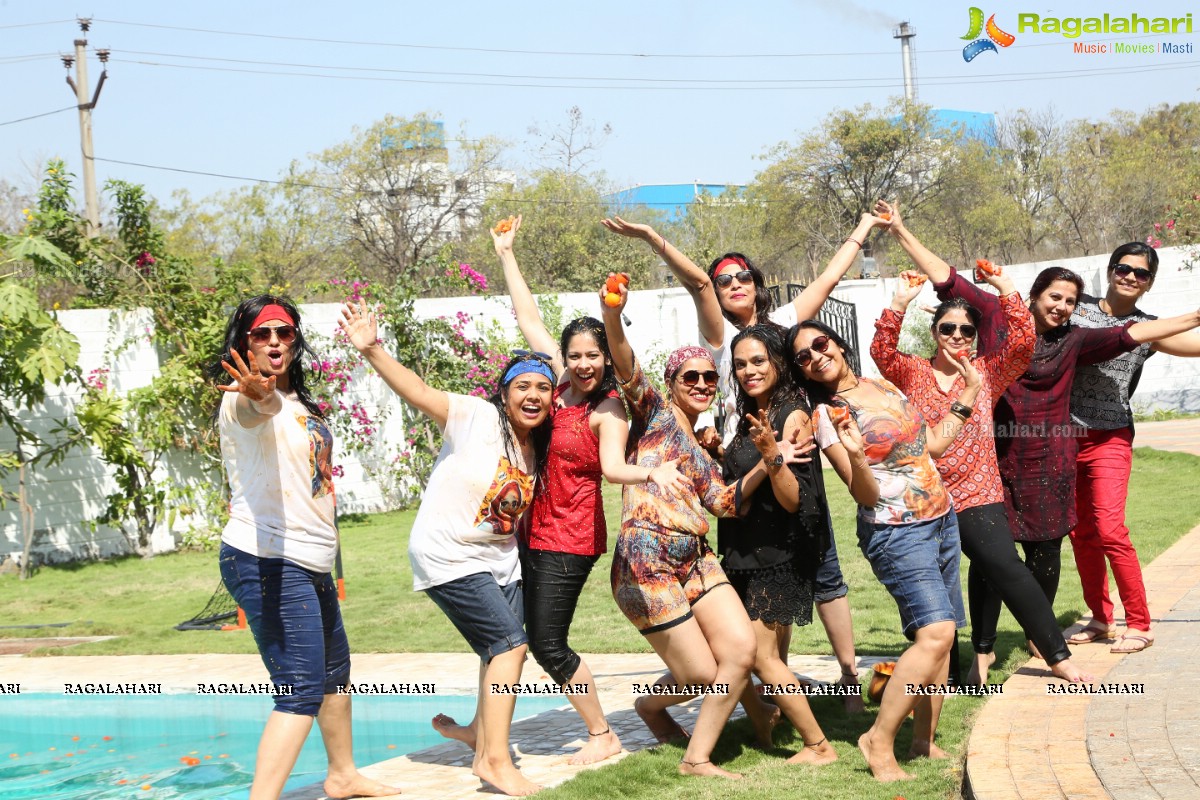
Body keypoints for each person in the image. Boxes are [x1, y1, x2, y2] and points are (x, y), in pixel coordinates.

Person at [885, 201, 1200, 653]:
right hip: (994, 456)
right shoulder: (997, 316)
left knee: (1064, 542)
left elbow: (1129, 335)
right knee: (994, 552)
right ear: (1034, 295)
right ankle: (986, 645)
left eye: (1070, 301)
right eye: (1054, 298)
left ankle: (1060, 631)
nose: (1063, 306)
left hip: (1059, 452)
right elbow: (946, 277)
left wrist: (1194, 315)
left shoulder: (1075, 336)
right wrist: (899, 230)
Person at [601, 215, 882, 710]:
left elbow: (829, 279)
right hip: (734, 465)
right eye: (725, 279)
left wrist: (861, 229)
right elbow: (697, 283)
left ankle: (846, 678)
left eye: (742, 277)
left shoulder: (787, 322)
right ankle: (775, 686)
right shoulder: (715, 344)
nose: (732, 285)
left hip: (786, 450)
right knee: (755, 578)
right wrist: (651, 243)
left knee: (822, 572)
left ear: (757, 284)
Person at [484, 215, 686, 765]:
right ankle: (487, 731)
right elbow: (528, 316)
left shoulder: (608, 409)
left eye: (592, 355)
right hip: (530, 528)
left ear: (605, 357)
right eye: (574, 355)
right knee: (510, 637)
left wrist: (652, 473)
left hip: (569, 538)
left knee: (547, 642)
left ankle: (601, 734)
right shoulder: (559, 388)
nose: (582, 363)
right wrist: (506, 254)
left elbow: (615, 468)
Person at [340, 299, 555, 797]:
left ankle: (481, 736)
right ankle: (495, 762)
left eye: (543, 388)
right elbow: (417, 390)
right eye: (523, 385)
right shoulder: (475, 417)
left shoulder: (536, 447)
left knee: (495, 653)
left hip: (499, 560)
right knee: (510, 646)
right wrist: (372, 348)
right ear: (504, 394)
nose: (534, 395)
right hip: (447, 553)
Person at [600, 276, 794, 780]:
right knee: (701, 675)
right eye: (692, 377)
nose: (703, 386)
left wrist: (769, 461)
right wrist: (612, 314)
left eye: (711, 378)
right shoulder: (655, 414)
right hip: (645, 562)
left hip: (696, 558)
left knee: (740, 650)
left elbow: (725, 504)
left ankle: (697, 758)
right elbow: (624, 363)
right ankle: (651, 707)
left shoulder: (706, 452)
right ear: (672, 382)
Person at [871, 258, 1092, 686]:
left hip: (977, 491)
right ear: (934, 333)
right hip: (924, 494)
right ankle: (946, 675)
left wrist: (1006, 288)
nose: (956, 336)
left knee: (1006, 566)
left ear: (975, 338)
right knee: (935, 587)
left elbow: (1024, 341)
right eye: (947, 328)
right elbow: (881, 349)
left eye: (966, 330)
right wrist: (899, 301)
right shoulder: (912, 370)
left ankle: (1057, 657)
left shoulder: (989, 372)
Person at [212, 295, 397, 800]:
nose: (274, 342)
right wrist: (258, 394)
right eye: (262, 333)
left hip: (309, 558)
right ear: (244, 342)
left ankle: (342, 775)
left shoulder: (300, 404)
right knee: (299, 687)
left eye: (284, 333)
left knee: (336, 673)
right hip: (266, 556)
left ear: (295, 341)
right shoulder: (240, 399)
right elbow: (258, 407)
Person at [788, 318, 971, 783]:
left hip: (941, 519)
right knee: (935, 634)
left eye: (819, 344)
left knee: (941, 642)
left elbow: (929, 444)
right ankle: (878, 741)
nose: (814, 357)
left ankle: (923, 741)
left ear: (836, 342)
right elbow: (864, 495)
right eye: (802, 357)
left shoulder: (880, 383)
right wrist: (853, 453)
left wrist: (968, 395)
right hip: (896, 531)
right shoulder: (828, 415)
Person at [1067, 242, 1200, 654]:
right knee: (1081, 533)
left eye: (1140, 273)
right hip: (1063, 438)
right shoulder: (1075, 310)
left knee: (1110, 530)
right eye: (1124, 268)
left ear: (1149, 283)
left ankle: (1139, 622)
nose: (1130, 276)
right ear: (1110, 271)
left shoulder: (1148, 329)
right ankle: (1101, 617)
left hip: (1111, 438)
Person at [718, 323, 837, 766]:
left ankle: (817, 746)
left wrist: (772, 454)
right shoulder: (753, 408)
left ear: (778, 363)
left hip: (778, 552)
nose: (749, 370)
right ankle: (768, 715)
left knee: (761, 655)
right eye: (741, 364)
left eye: (758, 361)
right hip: (746, 548)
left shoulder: (792, 414)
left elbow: (794, 501)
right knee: (762, 653)